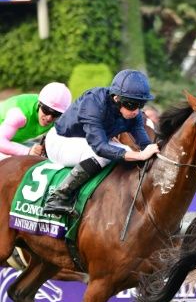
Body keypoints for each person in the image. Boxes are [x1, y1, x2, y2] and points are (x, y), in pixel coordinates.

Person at [42, 69, 159, 217]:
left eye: (141, 104)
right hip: (60, 142)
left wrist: (154, 150)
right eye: (131, 104)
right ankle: (58, 197)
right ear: (116, 98)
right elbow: (100, 148)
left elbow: (144, 143)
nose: (136, 111)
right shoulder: (93, 103)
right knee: (108, 155)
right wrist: (139, 155)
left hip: (84, 143)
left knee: (124, 150)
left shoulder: (132, 113)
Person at [0, 82, 72, 159]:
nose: (49, 118)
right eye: (46, 110)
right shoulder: (19, 115)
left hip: (14, 141)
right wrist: (27, 151)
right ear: (39, 104)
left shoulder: (60, 118)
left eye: (56, 114)